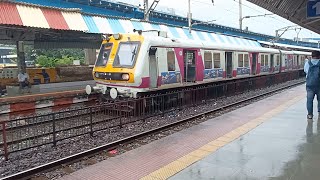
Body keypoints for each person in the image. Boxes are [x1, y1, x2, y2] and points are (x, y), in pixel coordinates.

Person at [304, 50, 320, 120]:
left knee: (309, 100)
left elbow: (305, 71)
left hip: (310, 85)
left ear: (312, 56)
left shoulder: (308, 63)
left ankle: (310, 114)